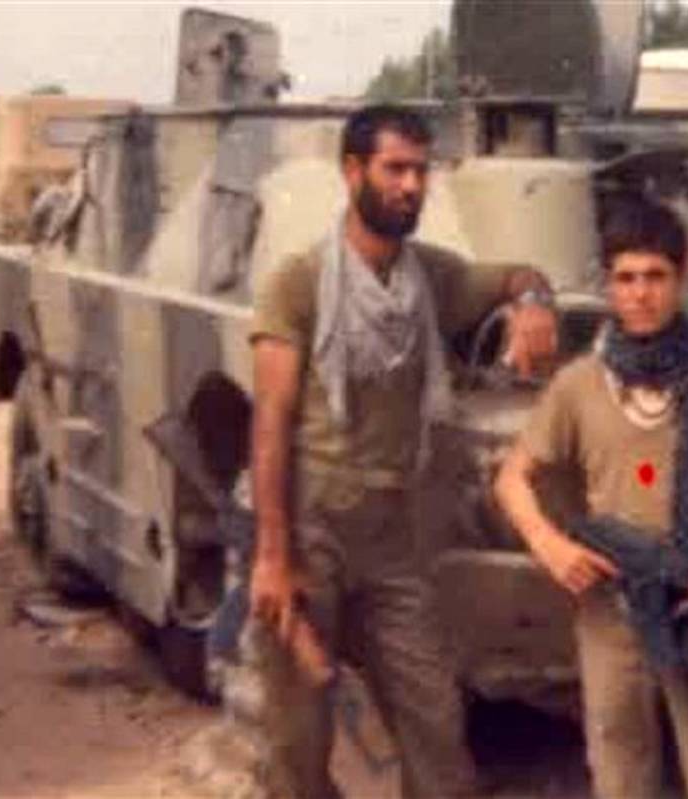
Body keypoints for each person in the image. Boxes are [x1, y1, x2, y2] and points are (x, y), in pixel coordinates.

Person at [240, 104, 558, 798]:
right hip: (311, 525)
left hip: (395, 536)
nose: (411, 186)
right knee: (299, 737)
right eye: (394, 169)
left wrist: (535, 301)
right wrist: (272, 556)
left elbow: (519, 274)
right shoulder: (299, 283)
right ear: (352, 171)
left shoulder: (430, 278)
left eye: (420, 170)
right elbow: (270, 424)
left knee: (435, 724)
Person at [494, 196, 688, 798]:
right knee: (620, 775)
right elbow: (512, 477)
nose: (640, 295)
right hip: (612, 611)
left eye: (655, 277)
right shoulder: (579, 385)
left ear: (680, 277)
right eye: (626, 278)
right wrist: (549, 545)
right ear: (609, 285)